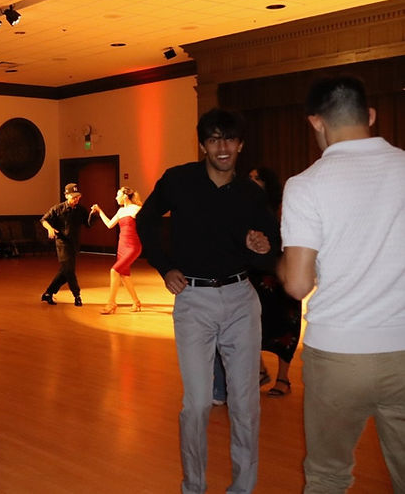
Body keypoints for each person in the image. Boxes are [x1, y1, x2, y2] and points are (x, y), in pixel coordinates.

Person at [137, 108, 278, 494]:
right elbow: (145, 219)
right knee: (197, 403)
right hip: (193, 300)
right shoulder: (179, 180)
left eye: (229, 139)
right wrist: (164, 267)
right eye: (214, 139)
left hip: (239, 299)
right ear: (202, 144)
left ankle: (242, 487)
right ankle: (193, 486)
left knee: (245, 403)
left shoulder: (251, 194)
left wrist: (261, 247)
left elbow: (270, 246)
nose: (222, 147)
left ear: (240, 145)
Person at [279, 76, 405, 493]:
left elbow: (297, 285)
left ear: (315, 122)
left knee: (329, 475)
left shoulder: (306, 185)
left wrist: (279, 264)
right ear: (370, 115)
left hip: (338, 354)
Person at [246, 166, 300, 397]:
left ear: (267, 183)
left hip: (280, 272)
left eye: (256, 178)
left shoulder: (282, 208)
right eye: (249, 178)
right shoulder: (244, 207)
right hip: (255, 274)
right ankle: (259, 371)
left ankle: (283, 379)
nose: (251, 181)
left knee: (284, 324)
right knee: (250, 324)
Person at [39, 183, 94, 306]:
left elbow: (88, 224)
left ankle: (48, 293)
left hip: (74, 245)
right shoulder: (58, 209)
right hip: (62, 244)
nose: (76, 199)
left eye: (78, 197)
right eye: (74, 197)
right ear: (67, 196)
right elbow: (44, 220)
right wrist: (50, 229)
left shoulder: (81, 210)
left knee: (65, 272)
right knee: (69, 270)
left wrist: (93, 213)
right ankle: (77, 296)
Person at [91, 187, 143, 314]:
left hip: (133, 246)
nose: (116, 198)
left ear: (125, 196)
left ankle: (111, 303)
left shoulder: (136, 209)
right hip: (122, 246)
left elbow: (147, 225)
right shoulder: (121, 211)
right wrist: (99, 211)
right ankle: (136, 302)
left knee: (114, 271)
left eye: (118, 195)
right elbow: (109, 225)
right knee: (124, 276)